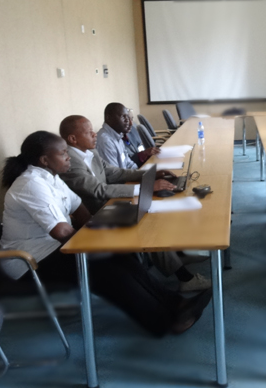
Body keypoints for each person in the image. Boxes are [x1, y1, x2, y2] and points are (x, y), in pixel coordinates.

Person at [0, 131, 212, 336]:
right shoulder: (31, 184)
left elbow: (79, 208)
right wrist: (97, 242)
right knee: (106, 270)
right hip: (30, 264)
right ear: (45, 160)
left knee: (119, 254)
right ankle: (164, 321)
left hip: (53, 250)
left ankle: (176, 303)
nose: (68, 157)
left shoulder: (52, 178)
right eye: (63, 153)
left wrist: (102, 230)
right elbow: (61, 231)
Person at [59, 116, 211, 292]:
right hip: (97, 213)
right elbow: (98, 190)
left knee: (153, 209)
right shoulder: (71, 162)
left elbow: (114, 173)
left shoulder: (90, 152)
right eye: (89, 132)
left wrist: (150, 174)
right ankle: (185, 278)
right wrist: (145, 187)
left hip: (111, 203)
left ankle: (178, 255)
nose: (95, 134)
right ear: (73, 139)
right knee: (147, 223)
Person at [97, 102, 158, 169]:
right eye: (123, 116)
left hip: (127, 174)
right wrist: (140, 174)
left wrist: (141, 172)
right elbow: (114, 173)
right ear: (109, 118)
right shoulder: (105, 141)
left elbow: (129, 163)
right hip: (122, 175)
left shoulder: (118, 136)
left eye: (127, 117)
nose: (127, 120)